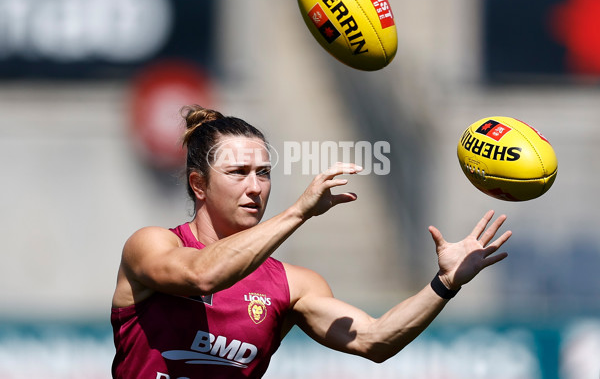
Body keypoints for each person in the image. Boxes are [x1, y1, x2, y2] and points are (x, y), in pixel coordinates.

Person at [111, 105, 512, 378]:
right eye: (238, 172)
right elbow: (203, 275)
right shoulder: (151, 246)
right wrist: (300, 211)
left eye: (264, 173)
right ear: (198, 184)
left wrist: (445, 284)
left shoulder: (292, 285)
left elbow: (374, 340)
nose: (255, 187)